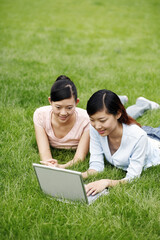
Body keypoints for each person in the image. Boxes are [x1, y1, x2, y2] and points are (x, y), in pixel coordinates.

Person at [83, 90, 160, 196]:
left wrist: (106, 182)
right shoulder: (97, 129)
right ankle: (142, 104)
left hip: (155, 139)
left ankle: (145, 104)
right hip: (131, 131)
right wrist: (78, 176)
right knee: (124, 119)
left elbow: (132, 178)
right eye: (92, 120)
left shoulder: (138, 136)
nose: (97, 126)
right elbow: (96, 165)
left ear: (118, 114)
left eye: (102, 120)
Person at [33, 75, 90, 168]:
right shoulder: (40, 115)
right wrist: (50, 164)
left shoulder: (86, 120)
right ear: (50, 101)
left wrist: (61, 167)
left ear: (77, 102)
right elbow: (44, 152)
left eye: (69, 107)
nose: (63, 113)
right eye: (58, 107)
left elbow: (79, 157)